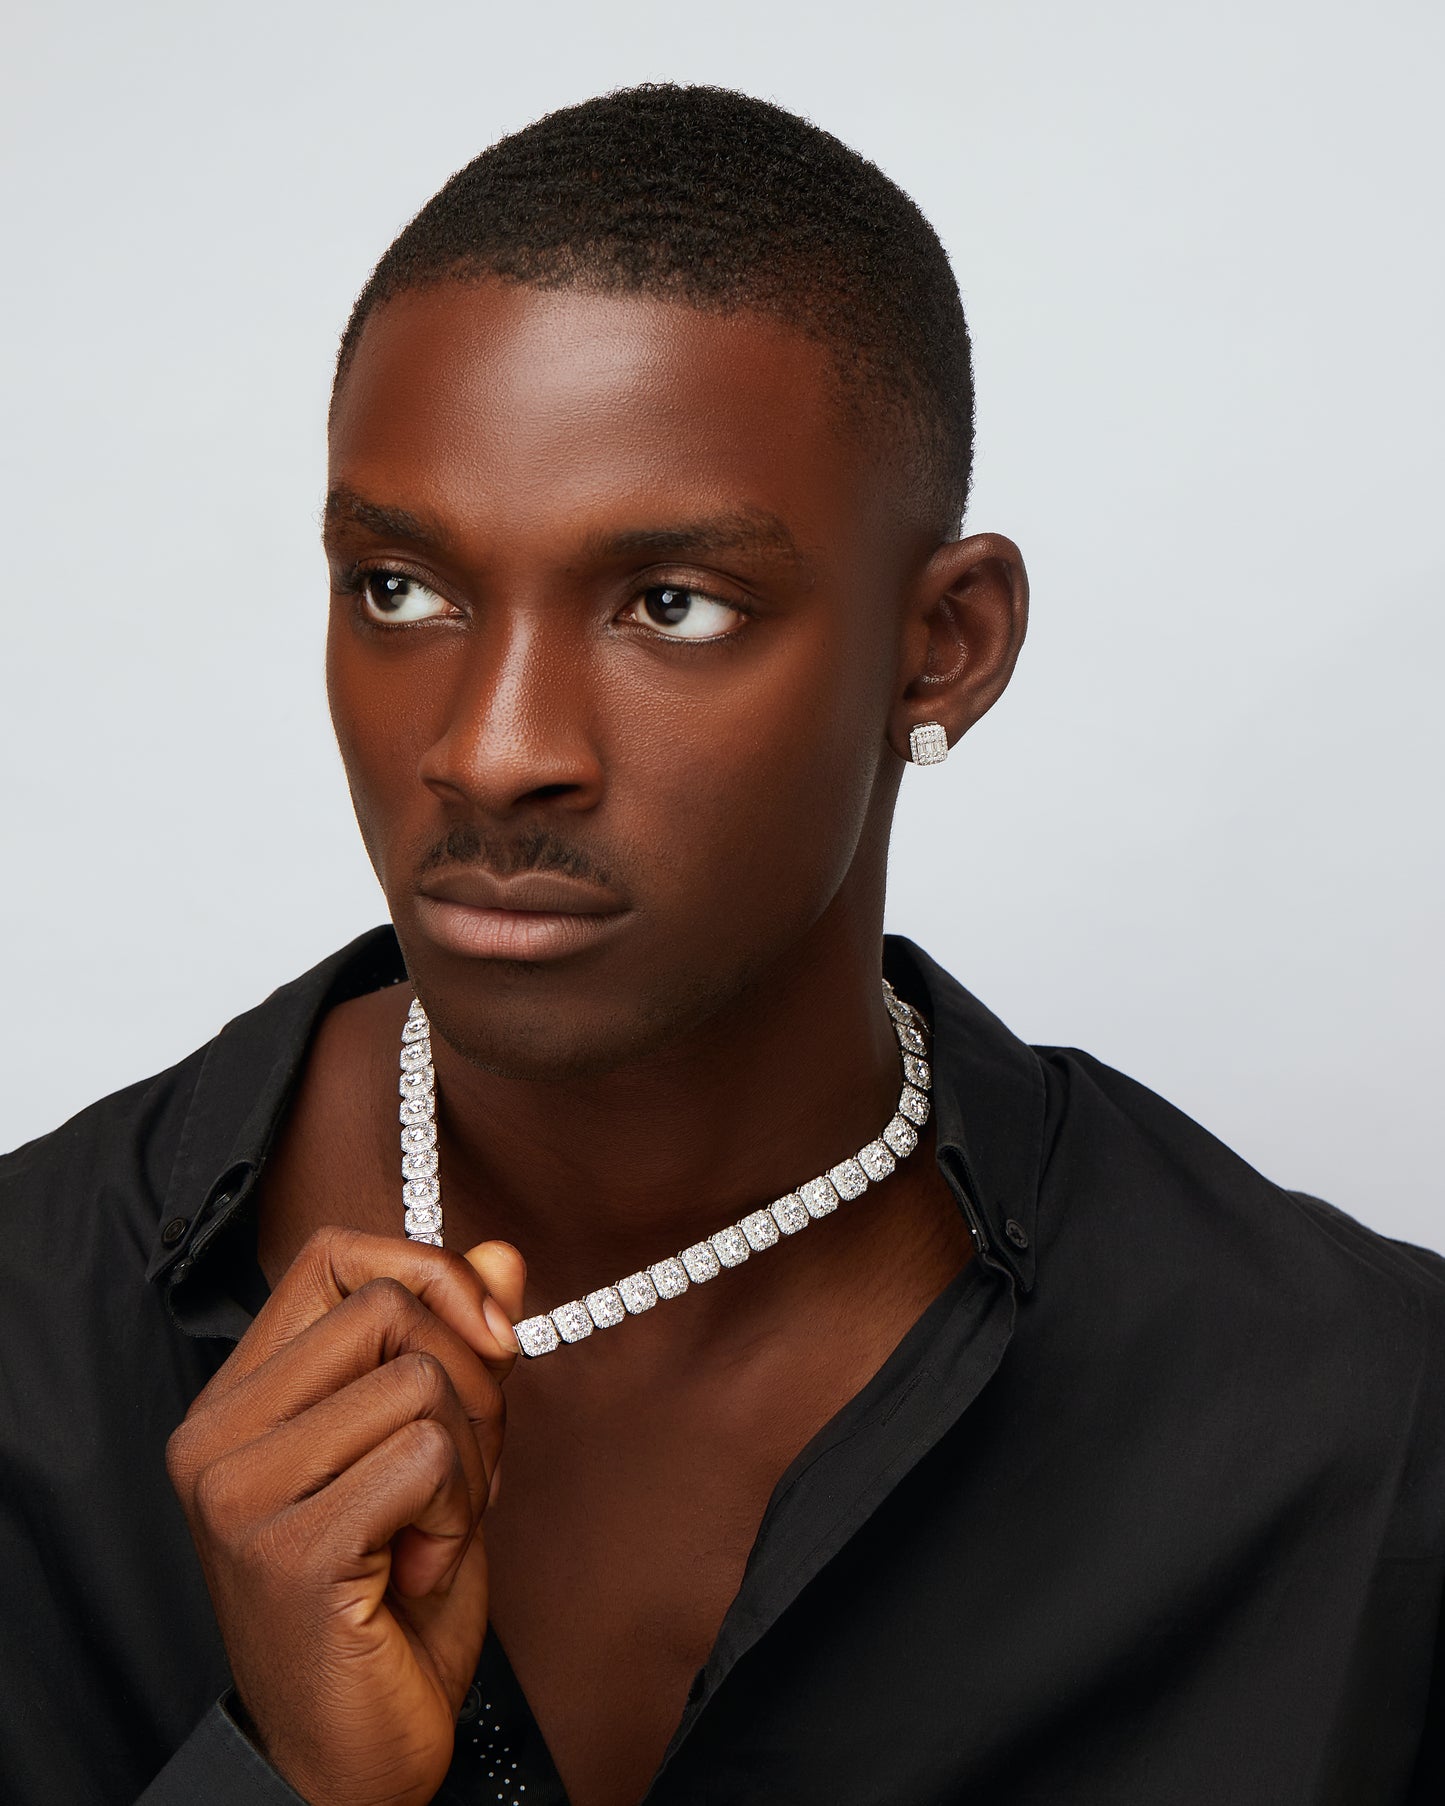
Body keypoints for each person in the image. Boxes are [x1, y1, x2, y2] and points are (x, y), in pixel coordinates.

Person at [1, 82, 1441, 1806]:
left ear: (943, 647)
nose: (489, 744)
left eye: (670, 604)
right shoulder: (31, 1349)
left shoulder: (1355, 1436)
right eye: (400, 585)